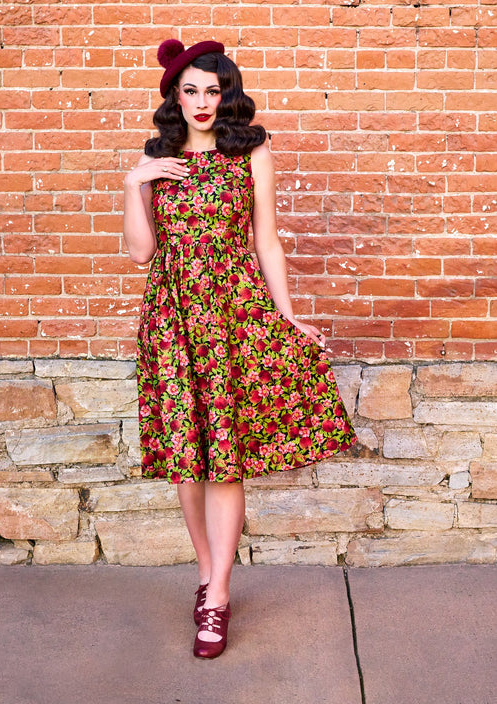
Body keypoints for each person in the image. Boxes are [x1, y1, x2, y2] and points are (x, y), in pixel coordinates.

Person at [122, 39, 357, 659]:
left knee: (223, 455)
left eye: (213, 89)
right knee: (186, 458)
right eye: (190, 90)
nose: (202, 102)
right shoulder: (158, 158)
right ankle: (205, 575)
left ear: (228, 93)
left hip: (233, 312)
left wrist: (287, 318)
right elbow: (143, 253)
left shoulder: (249, 150)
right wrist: (133, 183)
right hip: (171, 320)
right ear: (175, 95)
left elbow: (268, 242)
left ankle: (218, 595)